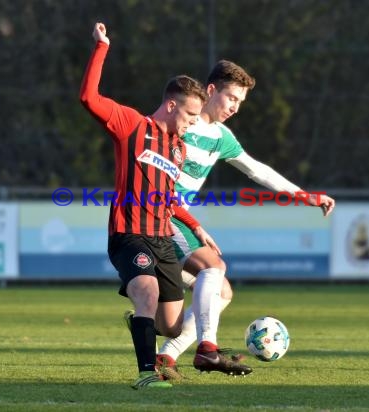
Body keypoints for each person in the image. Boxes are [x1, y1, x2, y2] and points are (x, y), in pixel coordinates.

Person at [156, 60, 336, 379]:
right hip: (161, 215)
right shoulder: (181, 121)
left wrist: (304, 195)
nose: (236, 108)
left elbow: (257, 170)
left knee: (221, 292)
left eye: (240, 102)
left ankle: (166, 355)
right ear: (211, 91)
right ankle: (207, 350)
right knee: (213, 267)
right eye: (232, 98)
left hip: (175, 220)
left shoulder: (222, 137)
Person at [79, 22, 219, 389]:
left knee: (170, 324)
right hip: (128, 235)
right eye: (189, 116)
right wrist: (101, 47)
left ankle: (140, 324)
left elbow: (169, 198)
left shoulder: (178, 147)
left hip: (163, 239)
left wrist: (195, 225)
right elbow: (89, 98)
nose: (192, 124)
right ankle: (147, 374)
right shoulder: (131, 124)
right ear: (171, 105)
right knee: (147, 291)